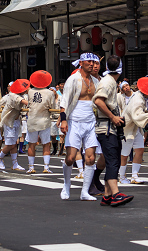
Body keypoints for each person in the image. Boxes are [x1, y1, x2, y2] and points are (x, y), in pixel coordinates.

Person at [93, 56, 133, 207]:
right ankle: (115, 194)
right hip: (106, 127)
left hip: (109, 126)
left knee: (113, 159)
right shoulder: (108, 81)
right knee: (112, 160)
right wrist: (113, 117)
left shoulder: (110, 80)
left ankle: (107, 195)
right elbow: (98, 101)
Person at [60, 52, 100, 201]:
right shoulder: (73, 79)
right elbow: (64, 101)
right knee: (70, 158)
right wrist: (64, 120)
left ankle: (85, 192)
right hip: (74, 122)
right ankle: (66, 185)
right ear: (81, 63)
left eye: (93, 62)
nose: (92, 64)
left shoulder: (96, 81)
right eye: (88, 61)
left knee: (90, 159)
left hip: (91, 123)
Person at [120, 77, 148, 185]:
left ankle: (134, 175)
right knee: (124, 154)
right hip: (128, 128)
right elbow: (137, 116)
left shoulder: (140, 97)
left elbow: (143, 113)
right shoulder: (138, 99)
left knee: (139, 150)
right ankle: (122, 176)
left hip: (136, 128)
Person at [26, 70, 55, 174]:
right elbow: (52, 106)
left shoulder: (30, 92)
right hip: (44, 120)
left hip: (32, 120)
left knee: (31, 144)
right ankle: (46, 167)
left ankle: (31, 167)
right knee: (46, 144)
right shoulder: (50, 92)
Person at [0, 79, 29, 172]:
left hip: (16, 121)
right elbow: (26, 103)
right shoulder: (12, 95)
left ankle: (15, 164)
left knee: (14, 143)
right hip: (9, 121)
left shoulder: (21, 95)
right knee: (10, 144)